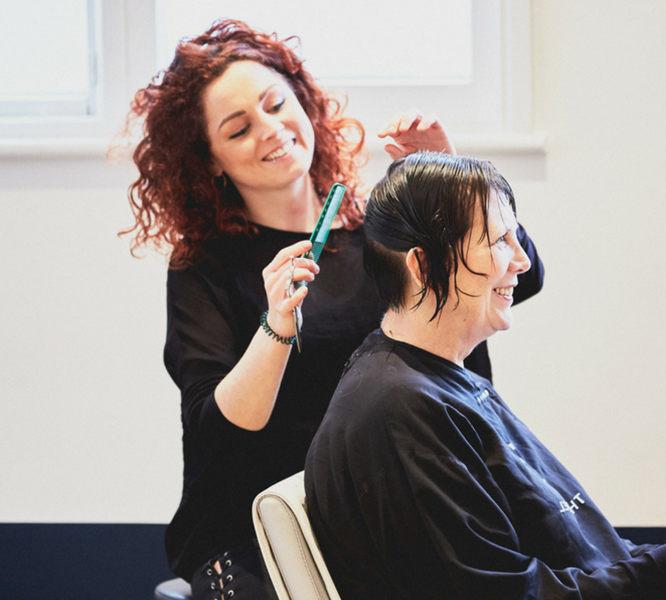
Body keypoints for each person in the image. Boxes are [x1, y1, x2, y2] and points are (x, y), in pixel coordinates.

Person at [121, 19, 544, 600]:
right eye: (239, 128)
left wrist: (457, 190)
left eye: (276, 104)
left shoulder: (382, 231)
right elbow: (219, 429)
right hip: (265, 528)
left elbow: (519, 278)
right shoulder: (207, 266)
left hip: (406, 505)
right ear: (210, 159)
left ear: (304, 103)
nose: (271, 131)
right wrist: (275, 326)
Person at [304, 151, 666, 600]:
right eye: (496, 242)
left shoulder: (437, 379)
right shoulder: (397, 409)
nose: (521, 261)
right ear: (424, 266)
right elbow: (500, 594)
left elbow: (574, 553)